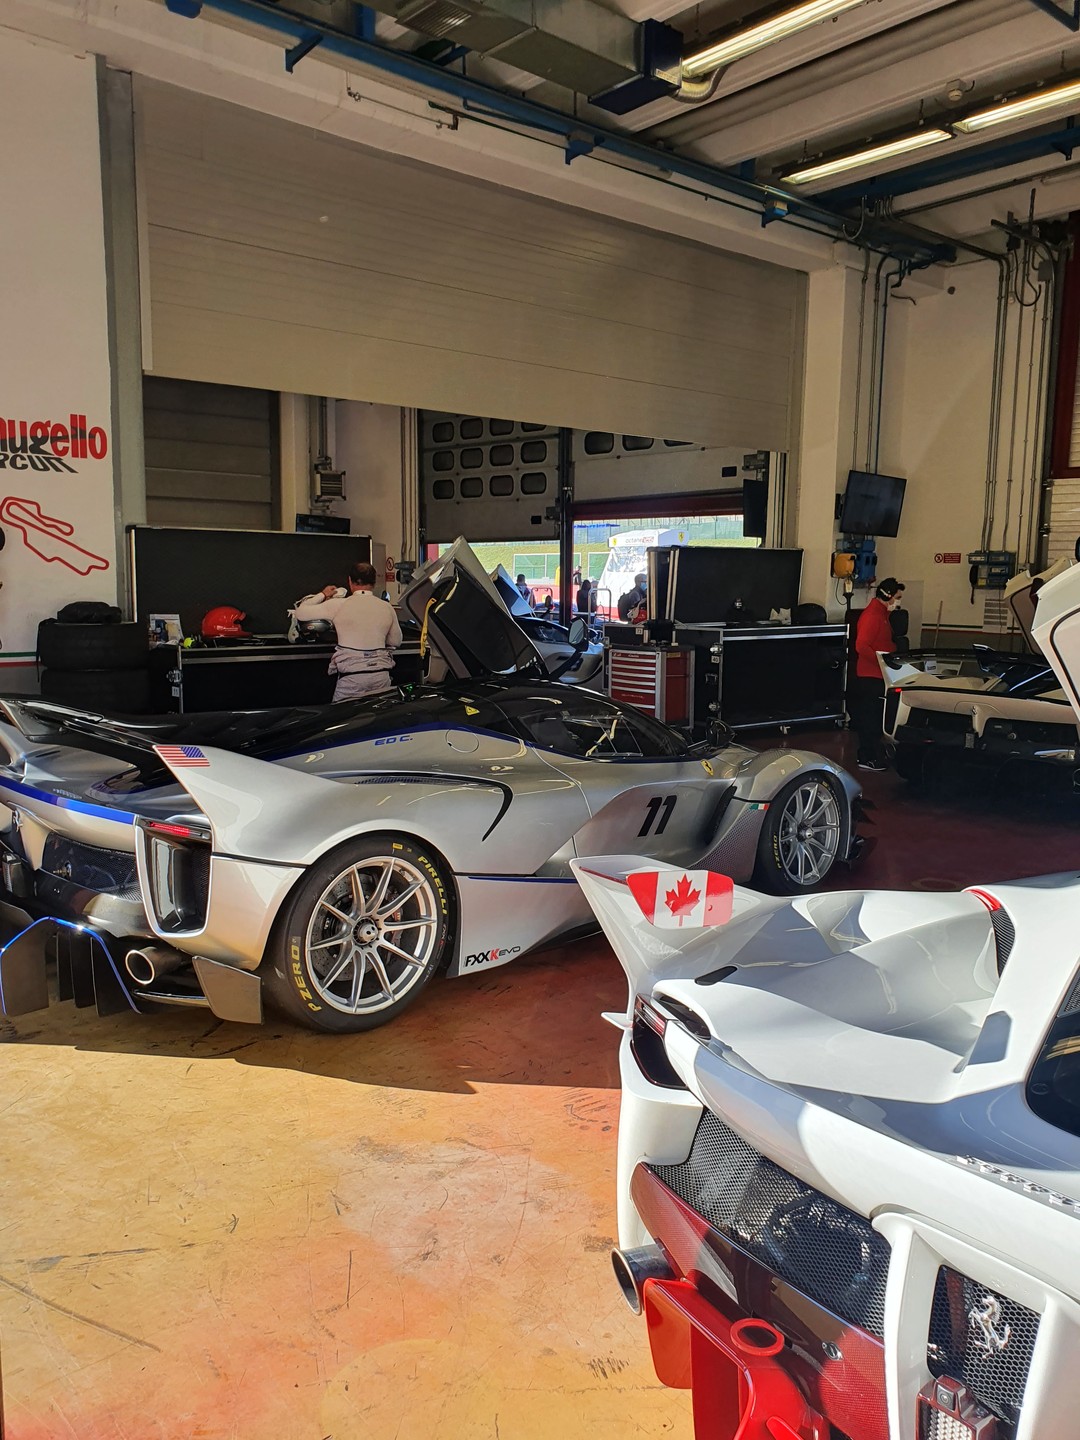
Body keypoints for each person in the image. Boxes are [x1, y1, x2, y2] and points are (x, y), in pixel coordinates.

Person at [291, 561, 402, 702]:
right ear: (374, 583)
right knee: (378, 714)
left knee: (343, 713)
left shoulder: (339, 605)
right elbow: (396, 641)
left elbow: (300, 612)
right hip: (380, 676)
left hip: (352, 678)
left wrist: (323, 594)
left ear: (350, 581)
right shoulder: (387, 607)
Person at [851, 575, 903, 771]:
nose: (898, 602)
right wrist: (882, 662)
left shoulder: (883, 615)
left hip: (881, 675)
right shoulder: (872, 616)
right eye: (897, 597)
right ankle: (866, 757)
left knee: (876, 718)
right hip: (870, 676)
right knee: (870, 719)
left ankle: (874, 753)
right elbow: (861, 646)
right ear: (888, 596)